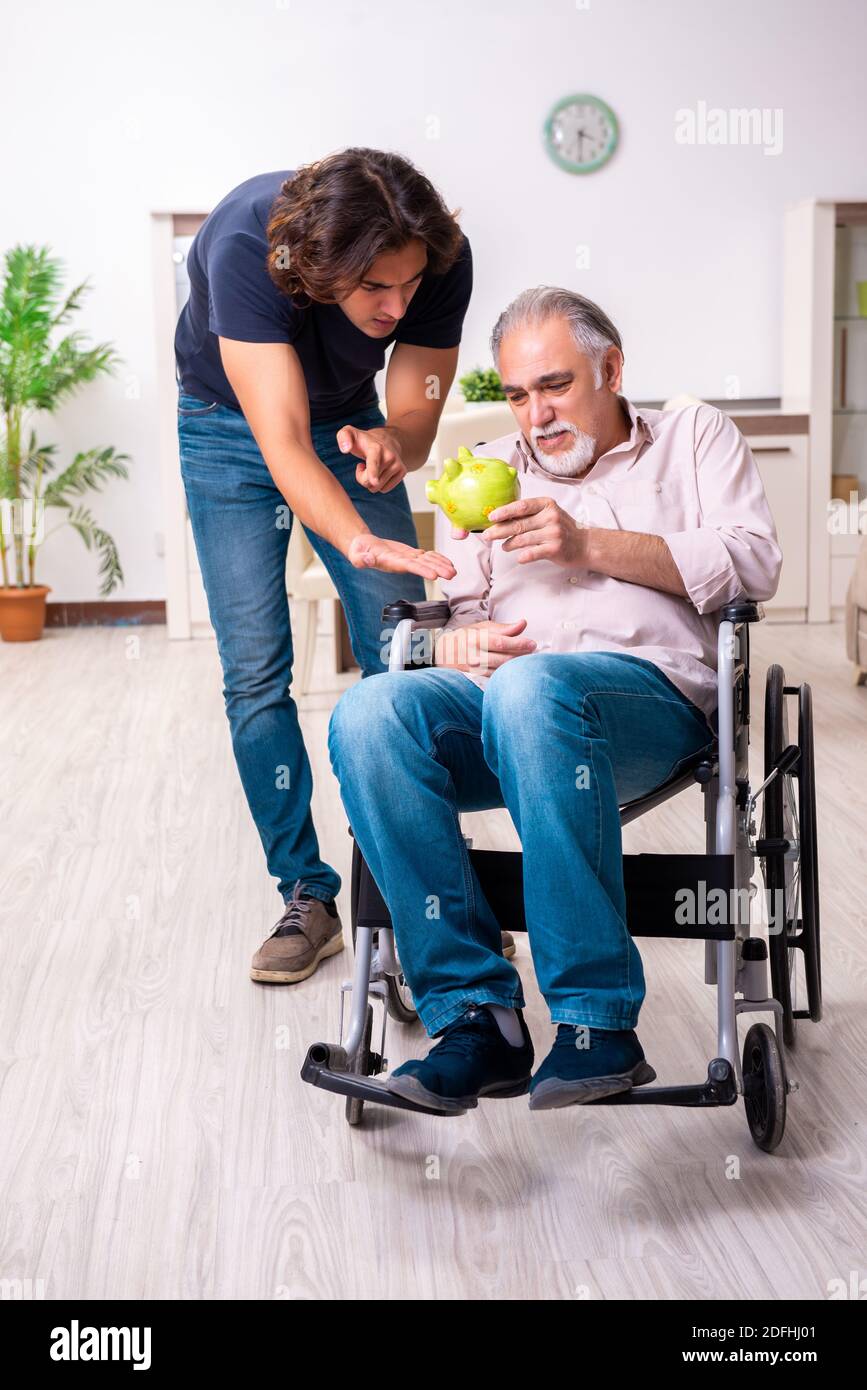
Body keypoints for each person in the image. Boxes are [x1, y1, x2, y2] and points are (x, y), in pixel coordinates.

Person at [328, 286, 782, 1112]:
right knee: (369, 711)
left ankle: (594, 1022)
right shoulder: (487, 472)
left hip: (647, 708)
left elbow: (753, 565)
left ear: (610, 368)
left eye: (555, 385)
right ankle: (477, 1020)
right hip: (504, 715)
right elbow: (446, 616)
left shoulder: (690, 438)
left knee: (535, 688)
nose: (534, 414)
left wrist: (587, 544)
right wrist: (452, 643)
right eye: (515, 393)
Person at [174, 148, 470, 984]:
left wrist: (394, 445)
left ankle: (427, 896)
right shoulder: (246, 242)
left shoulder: (437, 254)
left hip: (346, 418)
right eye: (375, 288)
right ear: (317, 265)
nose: (396, 305)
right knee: (256, 669)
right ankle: (307, 893)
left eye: (408, 286)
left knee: (403, 654)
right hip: (226, 426)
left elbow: (417, 406)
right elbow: (279, 440)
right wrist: (358, 539)